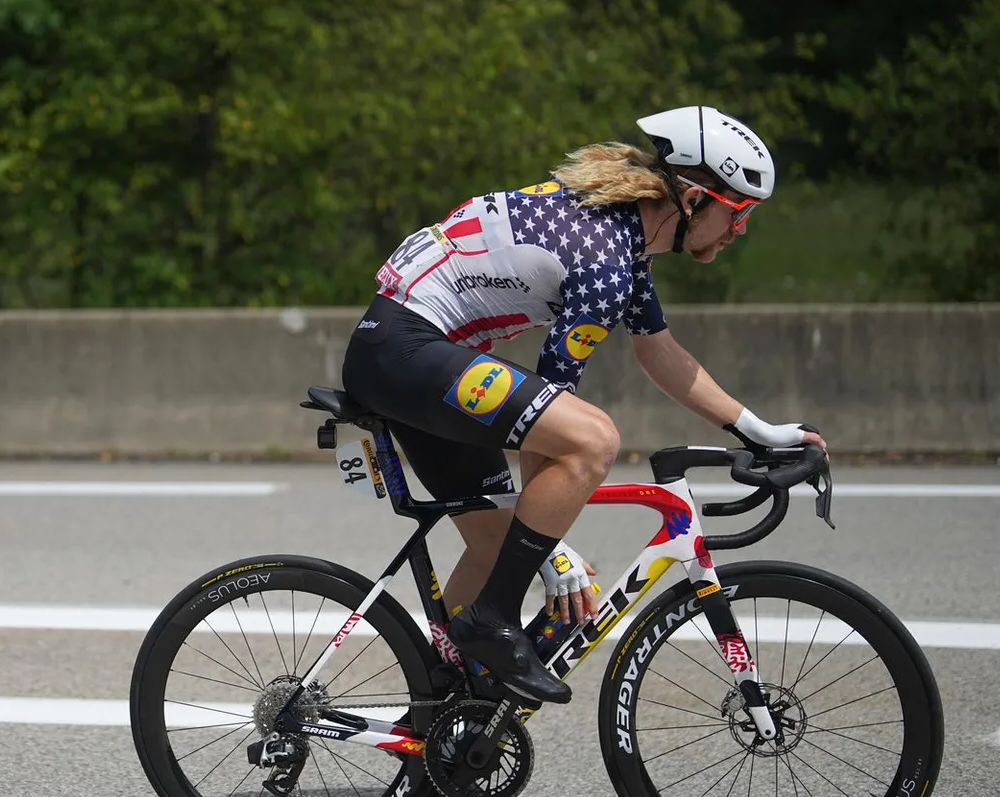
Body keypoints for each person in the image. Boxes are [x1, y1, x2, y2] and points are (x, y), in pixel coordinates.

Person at [341, 105, 826, 705]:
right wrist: (552, 555)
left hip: (410, 355)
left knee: (497, 547)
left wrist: (758, 431)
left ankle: (446, 713)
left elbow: (659, 351)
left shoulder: (623, 239)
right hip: (405, 351)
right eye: (740, 212)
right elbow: (550, 419)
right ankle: (492, 621)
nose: (741, 230)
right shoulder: (605, 262)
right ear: (694, 199)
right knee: (593, 438)